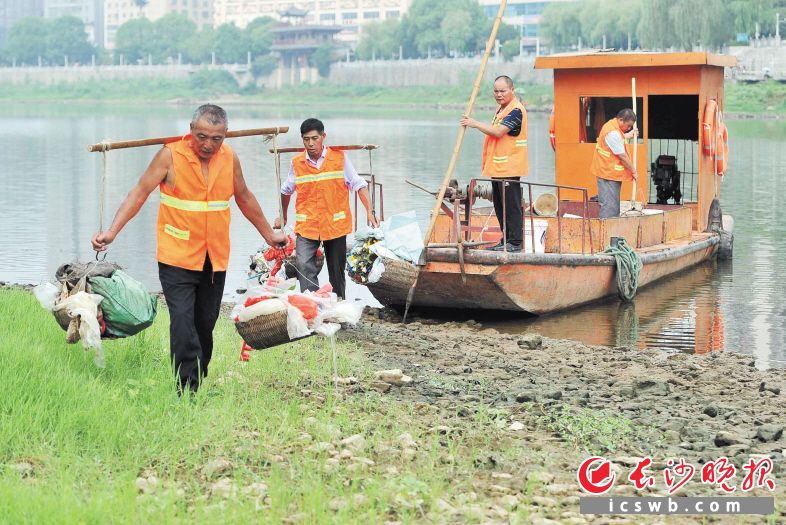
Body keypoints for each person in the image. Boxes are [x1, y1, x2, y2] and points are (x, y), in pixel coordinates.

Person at [91, 104, 286, 394]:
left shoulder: (229, 158)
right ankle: (186, 390)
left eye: (216, 138)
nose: (207, 144)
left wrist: (269, 234)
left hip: (214, 259)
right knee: (182, 323)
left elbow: (244, 197)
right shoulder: (170, 155)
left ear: (225, 136)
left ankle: (197, 376)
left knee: (205, 326)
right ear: (191, 130)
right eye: (202, 136)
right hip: (176, 257)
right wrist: (111, 232)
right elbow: (139, 193)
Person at [275, 118, 379, 299]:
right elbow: (286, 190)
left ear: (323, 137)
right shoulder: (297, 163)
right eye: (306, 139)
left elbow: (359, 185)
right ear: (302, 140)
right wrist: (282, 215)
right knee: (303, 265)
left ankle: (338, 305)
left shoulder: (339, 158)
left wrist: (369, 211)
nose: (311, 143)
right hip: (308, 226)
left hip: (334, 225)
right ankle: (313, 304)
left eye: (315, 138)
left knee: (336, 272)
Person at [460, 75, 528, 252]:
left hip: (510, 168)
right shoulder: (501, 109)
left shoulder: (516, 110)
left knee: (511, 206)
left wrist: (475, 123)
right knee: (500, 206)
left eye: (502, 91)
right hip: (498, 168)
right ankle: (506, 239)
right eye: (496, 91)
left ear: (512, 90)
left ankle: (515, 242)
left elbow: (498, 132)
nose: (499, 94)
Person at [590, 108, 639, 218]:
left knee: (613, 205)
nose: (629, 128)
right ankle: (606, 231)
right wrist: (634, 171)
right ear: (621, 120)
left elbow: (617, 139)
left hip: (609, 173)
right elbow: (622, 156)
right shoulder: (612, 133)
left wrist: (628, 134)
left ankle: (611, 230)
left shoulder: (612, 126)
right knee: (610, 207)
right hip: (607, 174)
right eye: (628, 126)